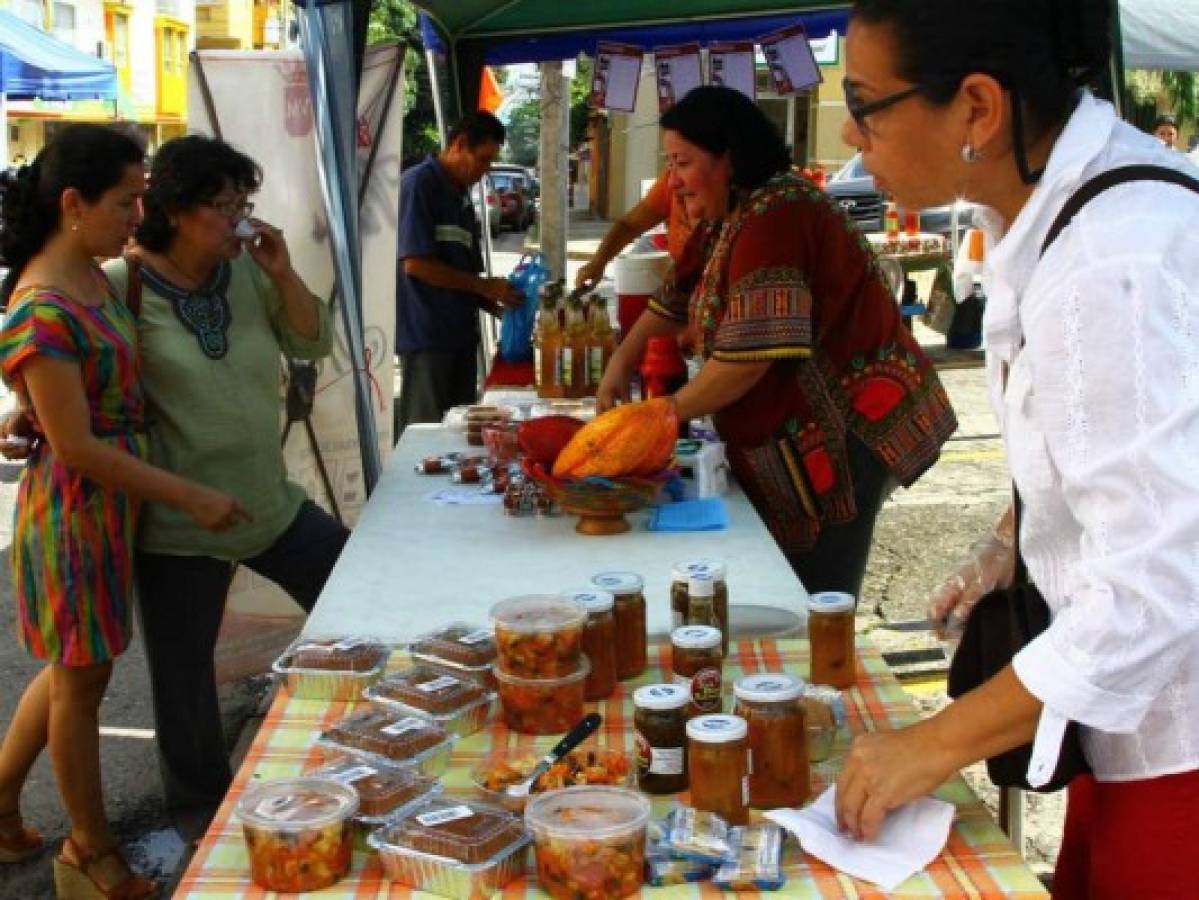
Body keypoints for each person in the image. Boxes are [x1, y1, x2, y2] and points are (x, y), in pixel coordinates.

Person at [833, 2, 1199, 895]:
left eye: (865, 102)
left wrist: (932, 746)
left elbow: (1160, 583)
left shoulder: (1112, 259)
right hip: (1129, 731)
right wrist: (1013, 539)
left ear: (977, 110)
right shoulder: (1050, 209)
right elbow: (1121, 446)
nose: (850, 132)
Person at [0, 126, 246, 899]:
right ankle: (91, 851)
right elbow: (75, 449)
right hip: (75, 515)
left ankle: (0, 801)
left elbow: (75, 393)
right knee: (82, 682)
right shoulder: (42, 300)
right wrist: (190, 495)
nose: (140, 213)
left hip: (109, 510)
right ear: (72, 204)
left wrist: (25, 405)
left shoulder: (93, 274)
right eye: (126, 200)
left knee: (79, 668)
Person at [597, 86, 958, 596]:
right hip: (788, 432)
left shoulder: (779, 214)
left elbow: (747, 361)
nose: (672, 182)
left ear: (729, 156)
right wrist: (619, 365)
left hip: (844, 426)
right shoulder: (730, 212)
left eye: (682, 163)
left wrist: (656, 418)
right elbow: (672, 298)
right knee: (784, 575)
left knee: (814, 593)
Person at [100, 134, 350, 841]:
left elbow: (310, 343)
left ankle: (370, 744)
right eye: (223, 205)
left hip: (268, 504)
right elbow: (77, 370)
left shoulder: (244, 273)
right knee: (183, 689)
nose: (241, 219)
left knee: (355, 600)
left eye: (246, 202)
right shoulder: (125, 284)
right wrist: (32, 412)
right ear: (175, 210)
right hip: (180, 526)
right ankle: (201, 823)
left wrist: (284, 273)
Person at [394, 110, 523, 438]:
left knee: (460, 437)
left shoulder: (460, 196)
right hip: (427, 340)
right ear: (460, 144)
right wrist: (484, 287)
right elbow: (416, 263)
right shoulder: (419, 185)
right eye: (482, 159)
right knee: (426, 438)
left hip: (460, 338)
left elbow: (462, 273)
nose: (485, 170)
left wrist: (496, 303)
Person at [574, 167, 695, 291]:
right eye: (669, 162)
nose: (672, 181)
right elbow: (630, 225)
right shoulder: (671, 183)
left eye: (683, 163)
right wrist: (597, 263)